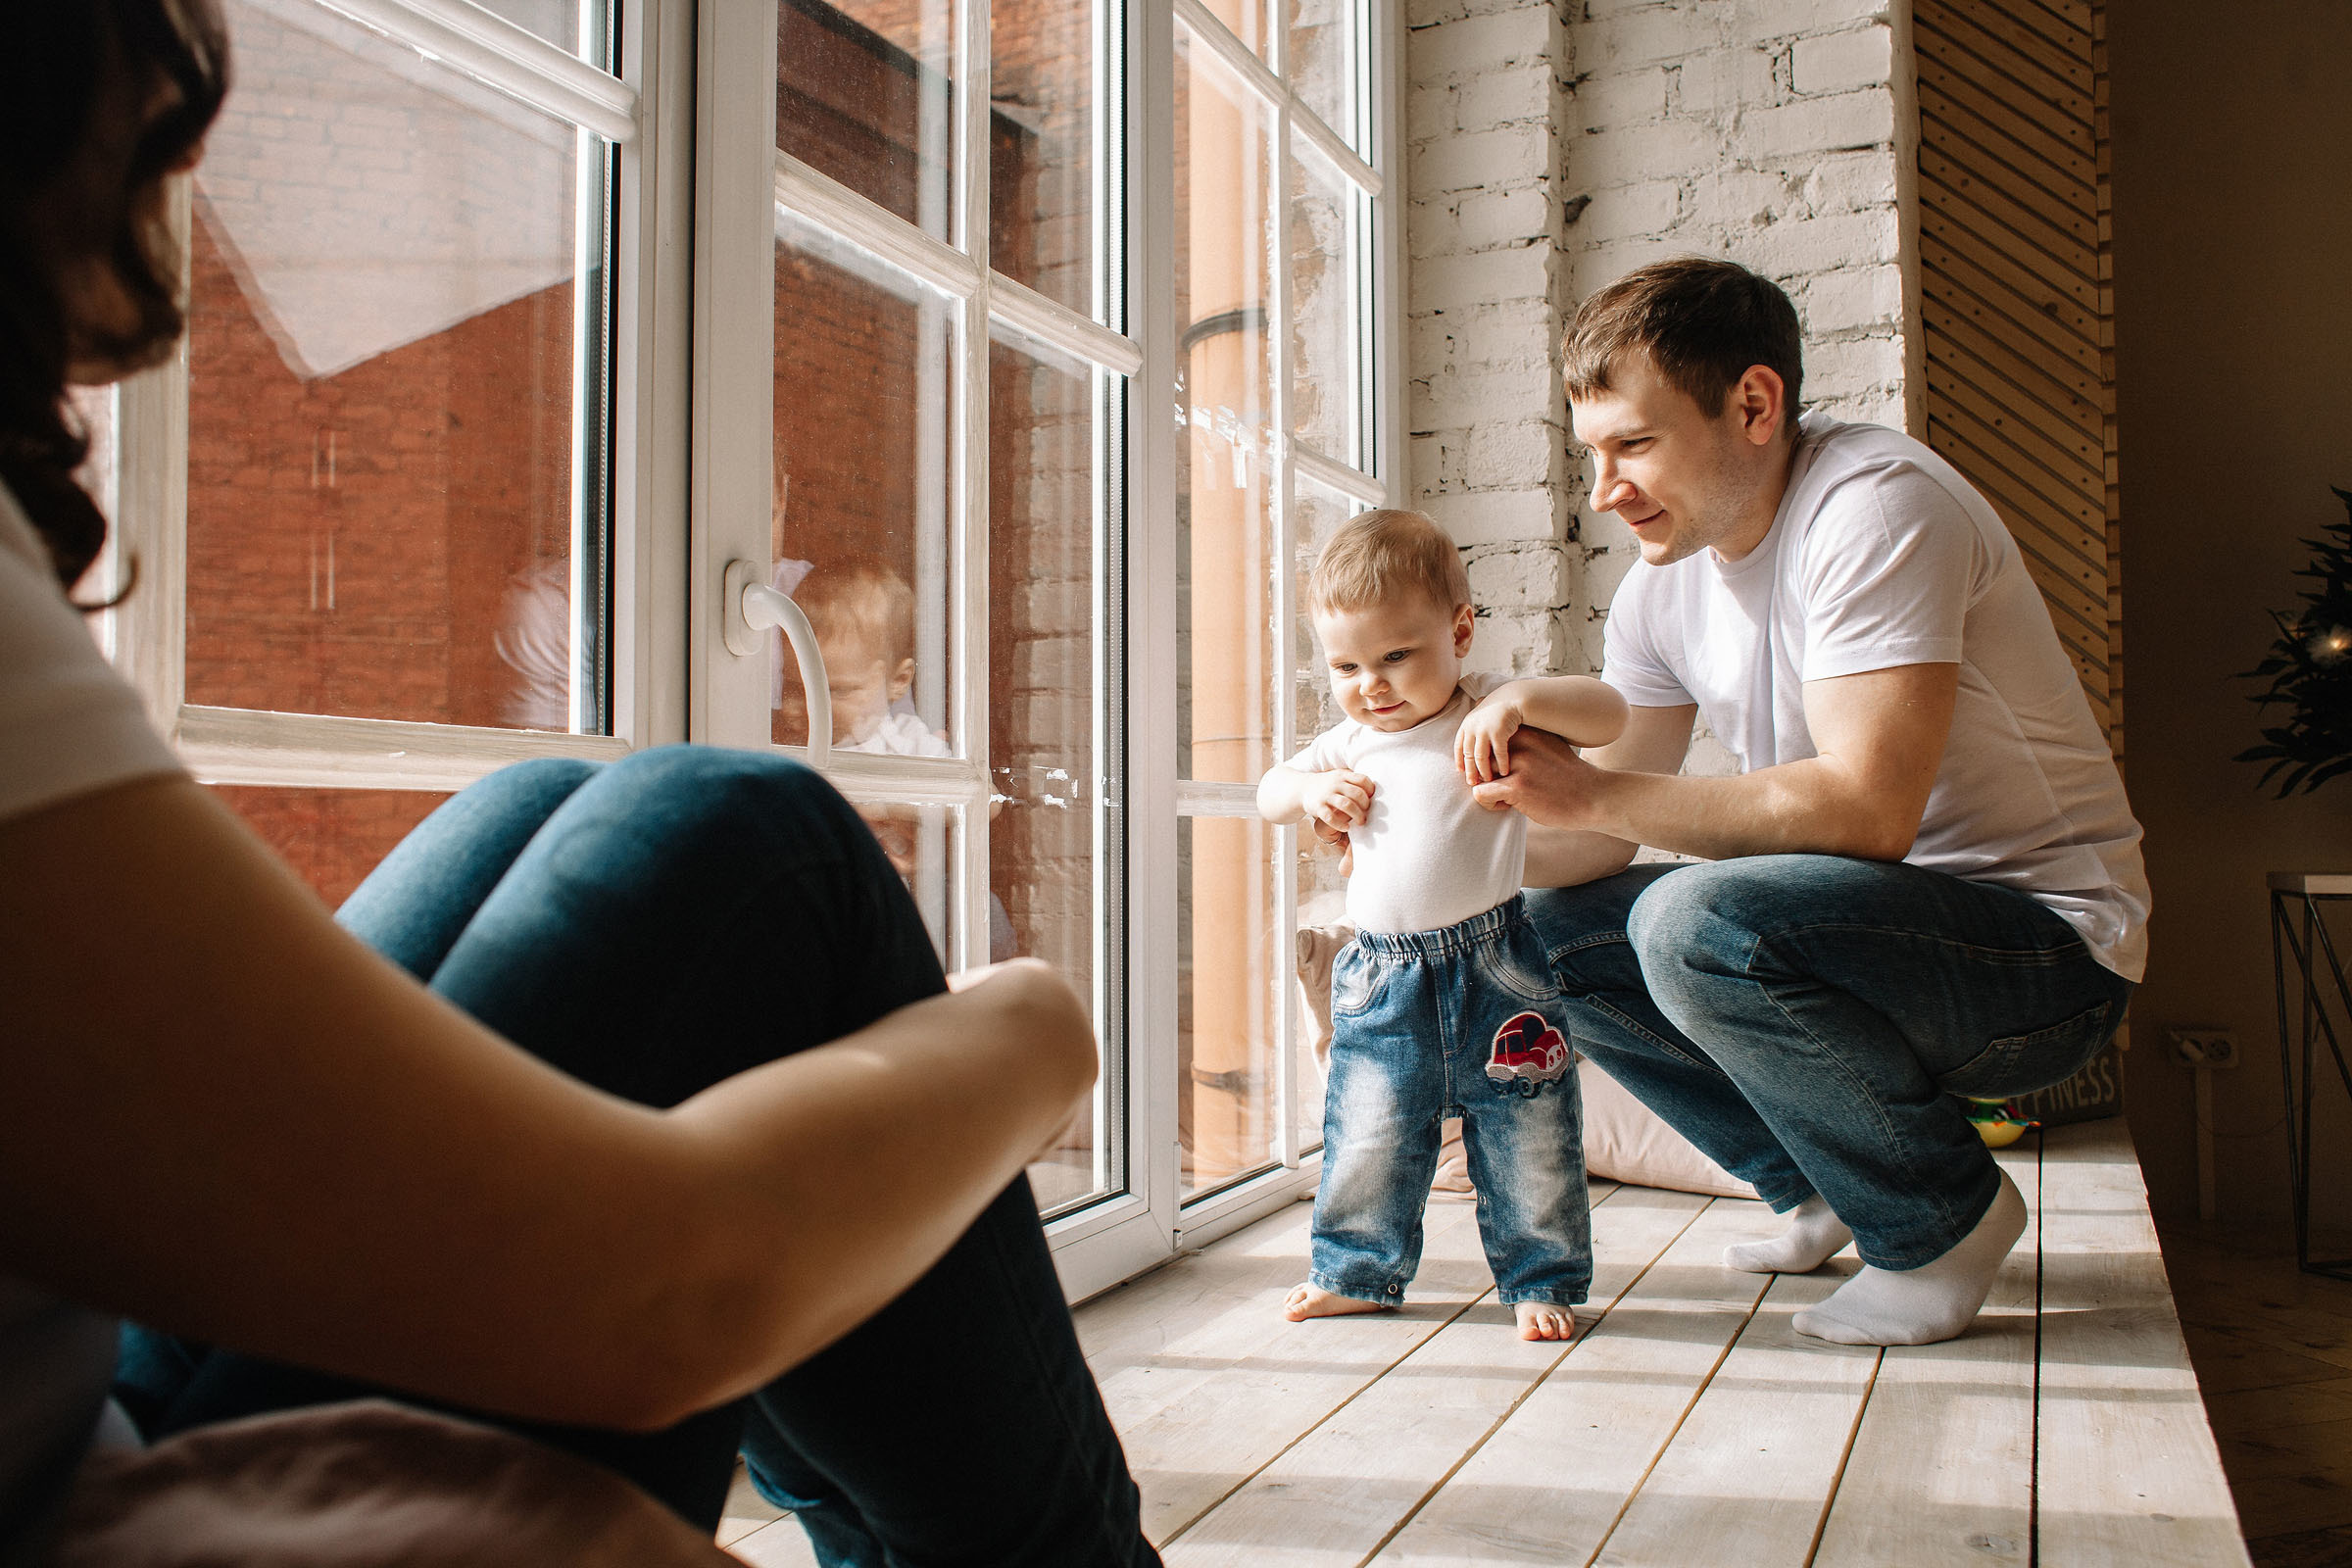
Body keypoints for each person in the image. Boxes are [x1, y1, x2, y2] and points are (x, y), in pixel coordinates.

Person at [0, 5, 1158, 1563]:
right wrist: (1035, 1030)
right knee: (756, 842)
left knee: (551, 804)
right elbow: (653, 1294)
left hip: (80, 1418)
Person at [1471, 257, 2149, 1348]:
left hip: (2045, 962)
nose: (1606, 492)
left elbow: (1866, 809)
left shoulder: (1877, 508)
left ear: (1753, 404)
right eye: (1592, 453)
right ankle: (1816, 1188)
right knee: (1545, 934)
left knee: (1694, 921)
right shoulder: (1661, 585)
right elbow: (1608, 833)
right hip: (1871, 932)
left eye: (1634, 445)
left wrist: (1592, 784)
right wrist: (1452, 845)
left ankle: (1938, 1222)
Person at [1259, 510, 1628, 1343]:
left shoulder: (1487, 710)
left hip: (1497, 964)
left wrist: (1522, 701)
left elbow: (1608, 714)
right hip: (1382, 973)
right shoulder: (1349, 742)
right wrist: (1310, 795)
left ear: (1459, 631)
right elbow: (1269, 792)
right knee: (1369, 1128)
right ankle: (1357, 1270)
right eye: (1346, 664)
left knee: (1528, 1121)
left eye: (1396, 656)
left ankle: (1541, 1275)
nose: (1373, 684)